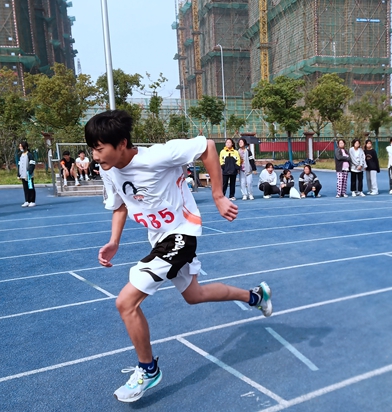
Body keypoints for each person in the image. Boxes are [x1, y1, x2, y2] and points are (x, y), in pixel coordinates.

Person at [84, 110, 272, 403]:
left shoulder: (157, 156)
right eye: (92, 149)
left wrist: (218, 195)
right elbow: (120, 204)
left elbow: (207, 146)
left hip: (182, 234)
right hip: (160, 239)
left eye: (99, 148)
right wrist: (114, 241)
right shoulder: (109, 170)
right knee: (194, 295)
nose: (95, 156)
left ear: (121, 144)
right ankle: (255, 296)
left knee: (126, 302)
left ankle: (148, 369)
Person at [17, 141, 36, 207]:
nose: (20, 147)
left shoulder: (29, 155)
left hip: (28, 175)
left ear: (25, 147)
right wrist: (18, 174)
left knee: (30, 187)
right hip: (23, 175)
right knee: (25, 188)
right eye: (19, 146)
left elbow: (32, 164)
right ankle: (27, 201)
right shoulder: (20, 155)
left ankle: (32, 201)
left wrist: (29, 173)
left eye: (21, 146)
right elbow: (19, 165)